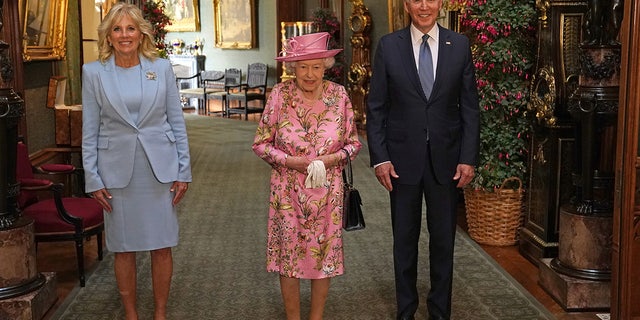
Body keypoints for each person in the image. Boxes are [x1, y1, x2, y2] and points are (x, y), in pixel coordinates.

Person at [366, 0, 480, 319]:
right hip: (401, 163)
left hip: (447, 161)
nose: (424, 6)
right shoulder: (389, 46)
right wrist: (380, 158)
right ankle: (406, 310)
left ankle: (440, 312)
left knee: (443, 243)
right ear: (407, 4)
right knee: (404, 243)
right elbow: (376, 108)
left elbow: (470, 107)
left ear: (440, 3)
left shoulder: (459, 45)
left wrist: (468, 157)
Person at [81, 3, 192, 320]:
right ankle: (131, 314)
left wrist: (183, 170)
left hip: (159, 171)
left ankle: (160, 312)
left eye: (130, 28)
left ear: (141, 32)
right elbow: (90, 130)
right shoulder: (94, 73)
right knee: (123, 247)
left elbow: (176, 122)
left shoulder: (162, 67)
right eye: (117, 29)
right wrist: (93, 178)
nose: (124, 35)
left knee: (161, 245)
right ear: (109, 36)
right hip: (116, 173)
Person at [252, 32, 362, 320]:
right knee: (289, 258)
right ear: (293, 67)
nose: (309, 74)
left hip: (328, 193)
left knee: (323, 257)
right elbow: (260, 144)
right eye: (303, 66)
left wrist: (331, 159)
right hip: (287, 193)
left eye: (316, 66)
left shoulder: (339, 96)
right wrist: (290, 161)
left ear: (326, 65)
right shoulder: (279, 95)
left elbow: (353, 144)